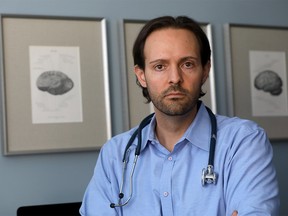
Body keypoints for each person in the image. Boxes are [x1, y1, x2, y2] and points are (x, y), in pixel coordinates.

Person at [80, 16, 279, 216]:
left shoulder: (243, 142)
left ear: (205, 70)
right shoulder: (115, 154)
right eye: (160, 66)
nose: (175, 78)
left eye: (187, 64)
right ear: (142, 76)